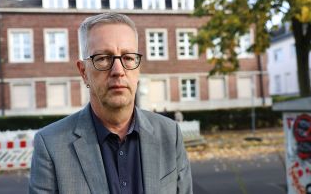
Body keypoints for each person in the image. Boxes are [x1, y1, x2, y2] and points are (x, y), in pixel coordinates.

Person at [29, 13, 192, 194]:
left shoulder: (170, 135)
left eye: (128, 58)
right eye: (103, 58)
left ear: (138, 67)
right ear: (84, 72)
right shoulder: (51, 145)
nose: (118, 71)